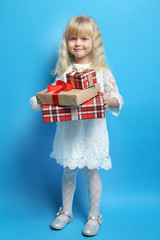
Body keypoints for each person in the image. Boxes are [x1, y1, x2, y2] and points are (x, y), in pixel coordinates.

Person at [30, 15, 123, 237]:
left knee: (92, 171)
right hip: (70, 130)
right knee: (69, 170)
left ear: (94, 42)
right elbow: (54, 93)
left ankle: (93, 215)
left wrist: (107, 100)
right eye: (73, 38)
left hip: (92, 131)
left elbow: (118, 98)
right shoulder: (66, 72)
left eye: (84, 38)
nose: (78, 43)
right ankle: (67, 211)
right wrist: (39, 100)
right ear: (67, 42)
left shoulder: (102, 71)